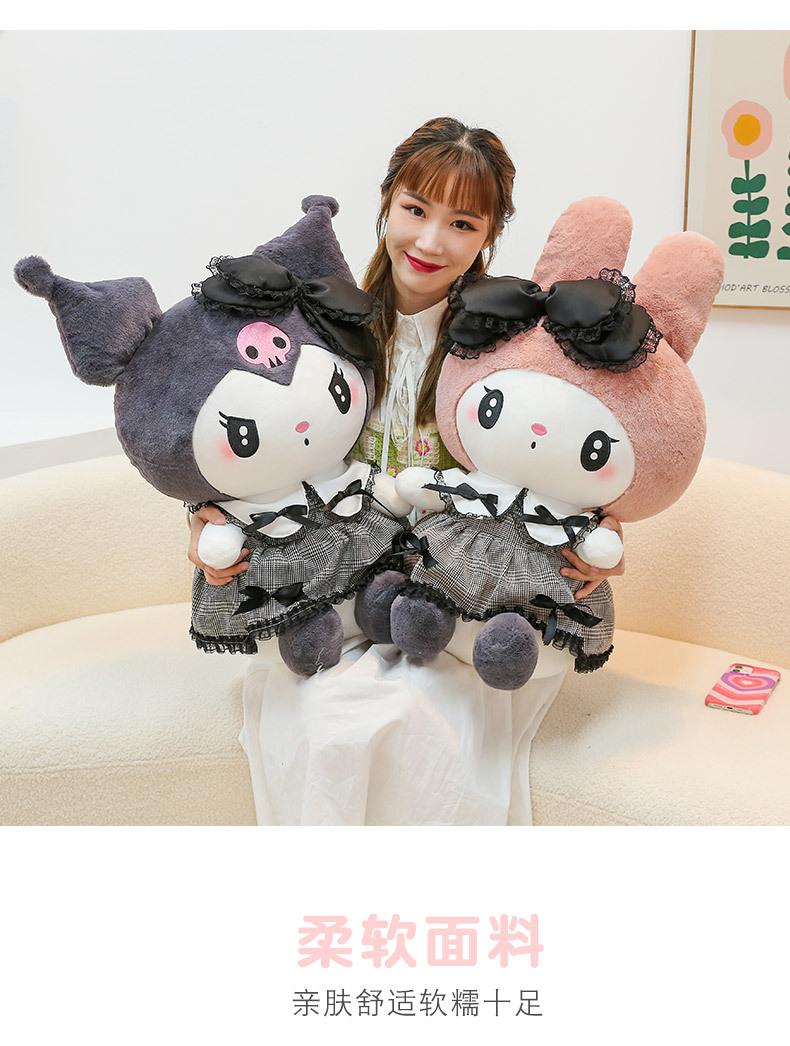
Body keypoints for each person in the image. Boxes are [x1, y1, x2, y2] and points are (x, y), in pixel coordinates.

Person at [187, 117, 625, 824]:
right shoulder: (317, 324)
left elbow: (570, 442)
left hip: (461, 586)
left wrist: (599, 534)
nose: (430, 241)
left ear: (489, 237)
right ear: (386, 203)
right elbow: (237, 424)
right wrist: (205, 515)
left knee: (430, 723)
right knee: (329, 717)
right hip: (337, 576)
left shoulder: (511, 343)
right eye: (415, 210)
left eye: (462, 223)